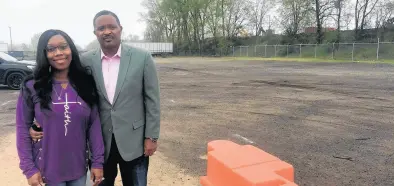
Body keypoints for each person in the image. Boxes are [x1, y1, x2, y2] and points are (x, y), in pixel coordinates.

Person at [30, 10, 161, 186]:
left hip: (134, 141)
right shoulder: (85, 61)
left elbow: (152, 100)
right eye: (101, 28)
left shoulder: (142, 58)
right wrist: (36, 123)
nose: (107, 31)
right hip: (100, 144)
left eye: (111, 27)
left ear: (120, 29)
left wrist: (151, 137)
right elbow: (58, 87)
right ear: (95, 33)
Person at [16, 29, 105, 186]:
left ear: (71, 49)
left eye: (63, 47)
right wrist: (29, 169)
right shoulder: (32, 86)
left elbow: (94, 125)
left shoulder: (86, 84)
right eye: (51, 49)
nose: (58, 53)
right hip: (47, 170)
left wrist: (98, 162)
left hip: (78, 168)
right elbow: (22, 128)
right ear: (44, 54)